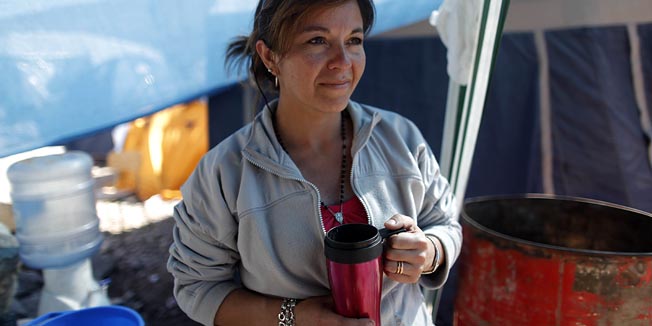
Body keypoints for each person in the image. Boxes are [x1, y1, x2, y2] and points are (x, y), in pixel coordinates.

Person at [167, 0, 462, 325]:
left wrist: (430, 252)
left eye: (354, 40)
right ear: (270, 57)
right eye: (317, 41)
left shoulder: (401, 139)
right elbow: (197, 286)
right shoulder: (224, 173)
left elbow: (445, 224)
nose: (342, 62)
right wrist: (293, 316)